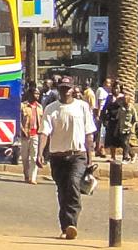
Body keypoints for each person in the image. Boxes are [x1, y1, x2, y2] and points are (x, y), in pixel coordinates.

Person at [41, 82, 97, 239]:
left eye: (68, 88)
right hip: (57, 156)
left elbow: (89, 134)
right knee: (62, 191)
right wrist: (40, 154)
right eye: (62, 88)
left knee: (73, 183)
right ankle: (65, 227)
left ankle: (72, 224)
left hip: (78, 155)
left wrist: (90, 158)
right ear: (58, 90)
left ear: (74, 90)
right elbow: (44, 132)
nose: (65, 91)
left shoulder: (82, 107)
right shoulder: (51, 108)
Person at [101, 87, 138, 161]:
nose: (115, 90)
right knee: (114, 141)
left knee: (124, 142)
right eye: (114, 88)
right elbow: (106, 109)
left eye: (117, 88)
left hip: (126, 127)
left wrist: (132, 128)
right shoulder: (110, 98)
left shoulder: (129, 106)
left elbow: (135, 119)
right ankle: (113, 157)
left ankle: (129, 156)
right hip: (116, 124)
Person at [18, 86, 44, 184]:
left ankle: (33, 177)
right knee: (25, 157)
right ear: (30, 94)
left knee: (34, 157)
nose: (37, 95)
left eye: (38, 94)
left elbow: (41, 121)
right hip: (25, 135)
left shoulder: (40, 107)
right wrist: (22, 130)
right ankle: (26, 175)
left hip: (35, 135)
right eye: (35, 93)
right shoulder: (23, 106)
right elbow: (19, 120)